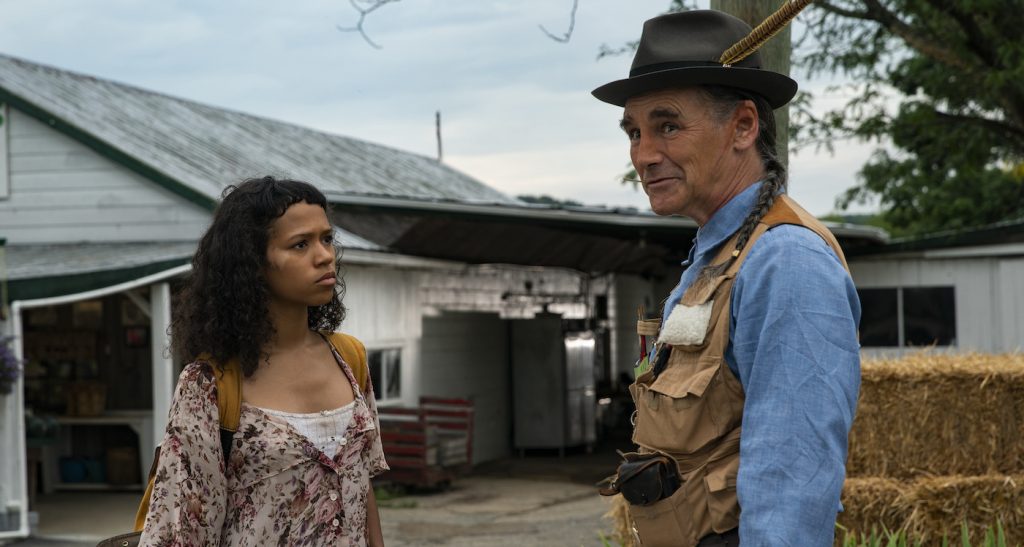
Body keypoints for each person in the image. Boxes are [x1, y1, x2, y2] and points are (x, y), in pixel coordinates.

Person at [593, 10, 861, 547]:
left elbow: (792, 480)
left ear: (743, 126)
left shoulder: (785, 260)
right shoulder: (716, 256)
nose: (644, 155)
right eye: (634, 132)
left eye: (668, 126)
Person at [140, 176, 388, 546]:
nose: (324, 255)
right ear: (253, 262)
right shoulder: (210, 383)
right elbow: (183, 531)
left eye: (326, 238)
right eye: (300, 244)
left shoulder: (349, 357)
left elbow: (361, 486)